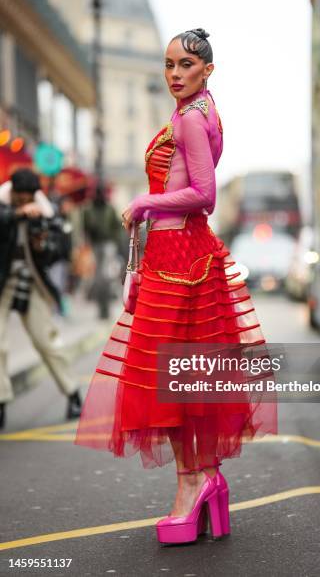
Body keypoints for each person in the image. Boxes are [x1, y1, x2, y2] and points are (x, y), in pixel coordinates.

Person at [74, 28, 278, 544]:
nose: (174, 75)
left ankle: (193, 486)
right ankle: (203, 479)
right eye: (168, 65)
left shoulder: (190, 118)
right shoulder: (200, 110)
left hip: (181, 258)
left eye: (185, 65)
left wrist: (144, 203)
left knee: (168, 383)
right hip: (178, 256)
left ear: (207, 70)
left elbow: (205, 195)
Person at [0, 169, 82, 428]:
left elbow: (59, 251)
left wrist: (41, 243)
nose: (22, 202)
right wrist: (15, 216)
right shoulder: (4, 208)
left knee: (46, 341)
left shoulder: (47, 213)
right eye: (18, 198)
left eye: (26, 199)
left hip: (32, 283)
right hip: (3, 283)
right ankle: (1, 402)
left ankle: (73, 394)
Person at [82, 183, 122, 319]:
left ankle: (105, 309)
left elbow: (117, 227)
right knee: (99, 279)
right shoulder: (88, 210)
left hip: (107, 245)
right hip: (95, 245)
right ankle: (101, 309)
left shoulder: (109, 209)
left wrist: (115, 245)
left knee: (105, 278)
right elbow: (85, 228)